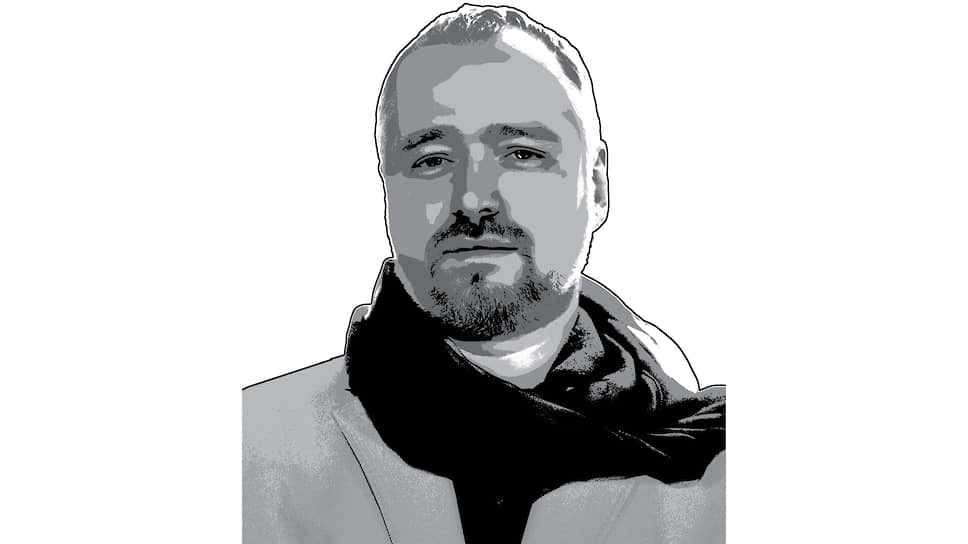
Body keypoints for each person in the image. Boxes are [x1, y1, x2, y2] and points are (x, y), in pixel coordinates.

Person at [243, 5, 725, 543]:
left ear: (596, 186)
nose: (472, 199)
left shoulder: (726, 469)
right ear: (388, 189)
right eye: (431, 159)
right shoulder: (246, 454)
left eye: (521, 153)